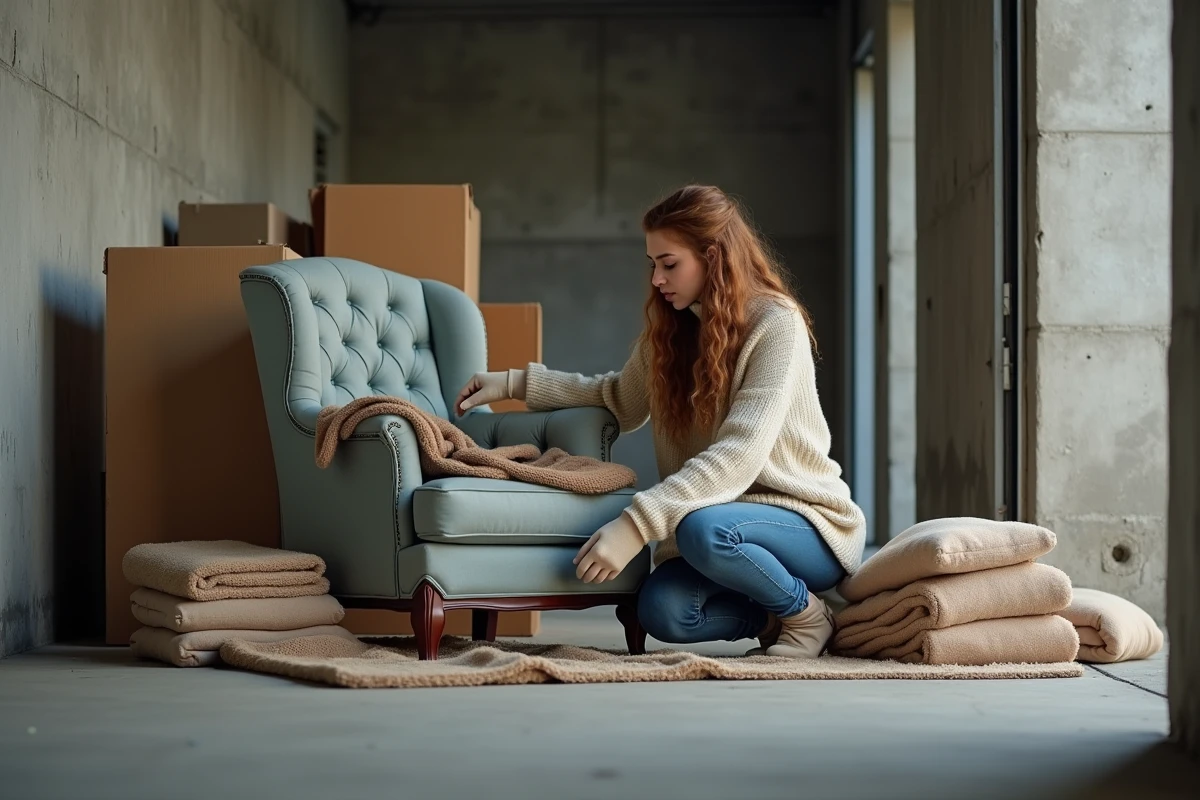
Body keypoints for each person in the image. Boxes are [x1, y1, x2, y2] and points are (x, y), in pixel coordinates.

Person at [454, 185, 866, 659]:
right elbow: (618, 398)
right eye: (652, 264)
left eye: (669, 264)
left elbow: (738, 455)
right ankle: (774, 616)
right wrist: (514, 383)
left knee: (703, 529)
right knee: (664, 611)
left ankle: (807, 616)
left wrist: (635, 526)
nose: (657, 278)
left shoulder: (776, 323)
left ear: (713, 257)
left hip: (802, 524)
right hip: (713, 532)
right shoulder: (672, 332)